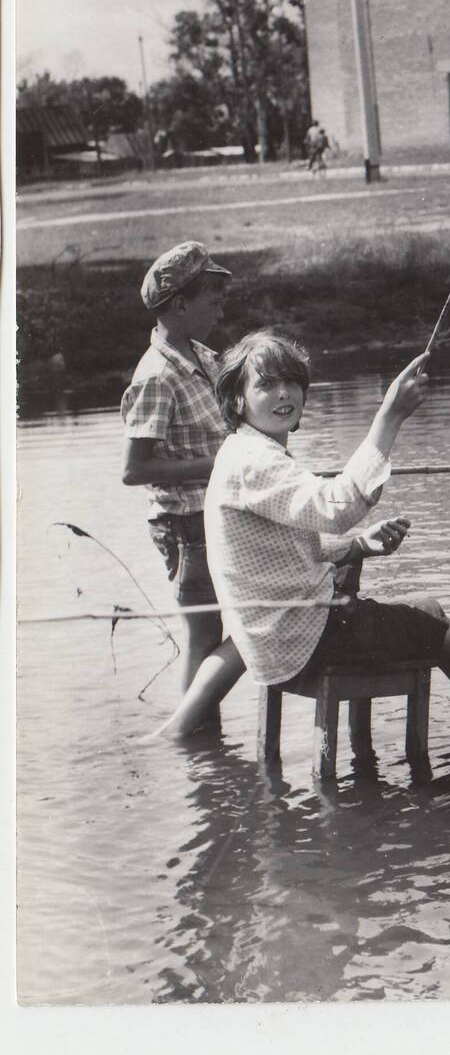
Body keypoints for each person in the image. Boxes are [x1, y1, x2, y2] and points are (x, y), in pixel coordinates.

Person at [150, 330, 450, 739]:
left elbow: (285, 548)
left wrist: (357, 546)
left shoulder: (243, 450)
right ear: (236, 400)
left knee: (433, 611)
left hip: (281, 638)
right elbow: (337, 508)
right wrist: (389, 417)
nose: (284, 394)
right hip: (304, 639)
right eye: (267, 384)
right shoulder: (255, 461)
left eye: (292, 382)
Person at [121, 241, 233, 709]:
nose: (221, 309)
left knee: (217, 632)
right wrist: (218, 465)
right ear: (181, 305)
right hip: (186, 526)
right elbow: (135, 469)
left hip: (215, 517)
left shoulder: (203, 357)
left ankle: (204, 761)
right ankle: (193, 743)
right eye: (214, 300)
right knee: (204, 634)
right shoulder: (156, 376)